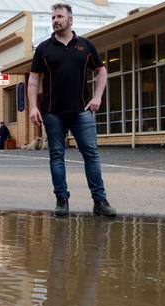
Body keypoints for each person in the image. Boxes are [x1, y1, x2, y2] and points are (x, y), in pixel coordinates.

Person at [28, 2, 116, 217]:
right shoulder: (43, 48)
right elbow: (33, 79)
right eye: (53, 18)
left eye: (59, 16)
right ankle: (61, 200)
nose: (55, 20)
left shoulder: (85, 46)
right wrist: (32, 107)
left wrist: (97, 97)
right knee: (56, 156)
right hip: (52, 112)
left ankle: (100, 202)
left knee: (91, 155)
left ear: (70, 20)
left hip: (81, 112)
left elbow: (102, 72)